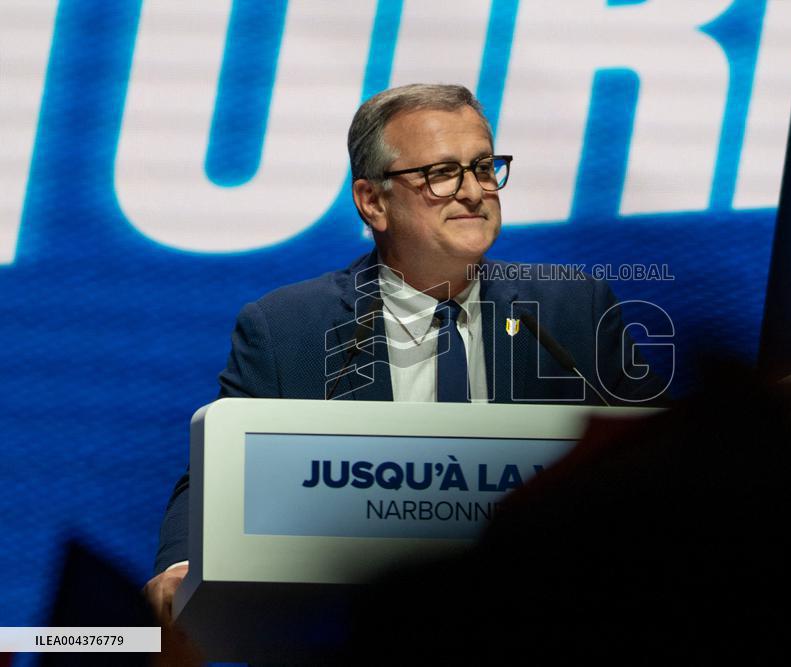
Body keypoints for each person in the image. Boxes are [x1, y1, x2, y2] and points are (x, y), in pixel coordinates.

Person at [143, 84, 668, 621]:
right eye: (442, 173)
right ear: (373, 202)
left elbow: (658, 464)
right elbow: (218, 472)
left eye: (484, 167)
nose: (473, 192)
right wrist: (182, 563)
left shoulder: (572, 312)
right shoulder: (286, 329)